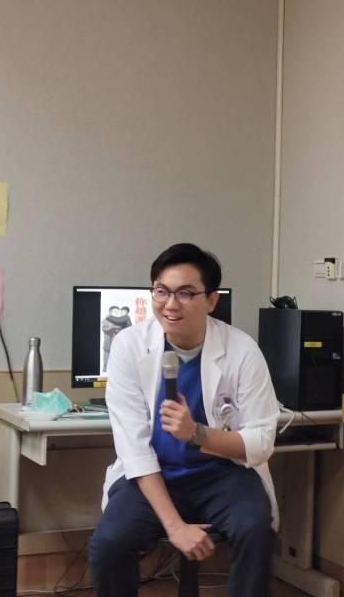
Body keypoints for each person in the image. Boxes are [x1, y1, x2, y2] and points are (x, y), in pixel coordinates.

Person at [88, 243, 279, 597]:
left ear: (212, 300)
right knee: (110, 542)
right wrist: (176, 527)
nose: (170, 304)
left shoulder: (242, 350)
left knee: (255, 528)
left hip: (222, 474)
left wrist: (197, 433)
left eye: (186, 293)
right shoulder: (129, 345)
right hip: (152, 476)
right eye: (161, 291)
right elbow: (134, 450)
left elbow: (261, 442)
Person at [101, 305, 132, 372]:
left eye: (117, 312)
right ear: (110, 312)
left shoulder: (121, 320)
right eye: (115, 311)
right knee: (106, 364)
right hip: (108, 347)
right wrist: (113, 328)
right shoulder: (105, 320)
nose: (117, 313)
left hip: (118, 348)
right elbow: (104, 328)